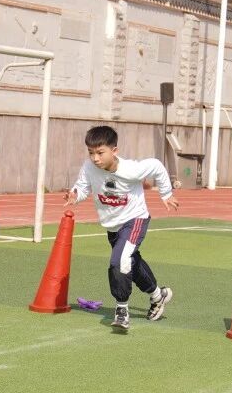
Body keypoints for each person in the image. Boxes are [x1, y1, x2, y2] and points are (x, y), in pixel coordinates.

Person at [65, 124, 178, 331]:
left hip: (135, 220)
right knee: (131, 262)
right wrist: (75, 196)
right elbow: (82, 188)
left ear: (114, 151)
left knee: (119, 261)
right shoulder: (89, 167)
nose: (95, 158)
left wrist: (166, 194)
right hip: (113, 226)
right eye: (91, 153)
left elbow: (157, 166)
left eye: (100, 153)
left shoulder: (131, 169)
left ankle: (121, 310)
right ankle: (158, 295)